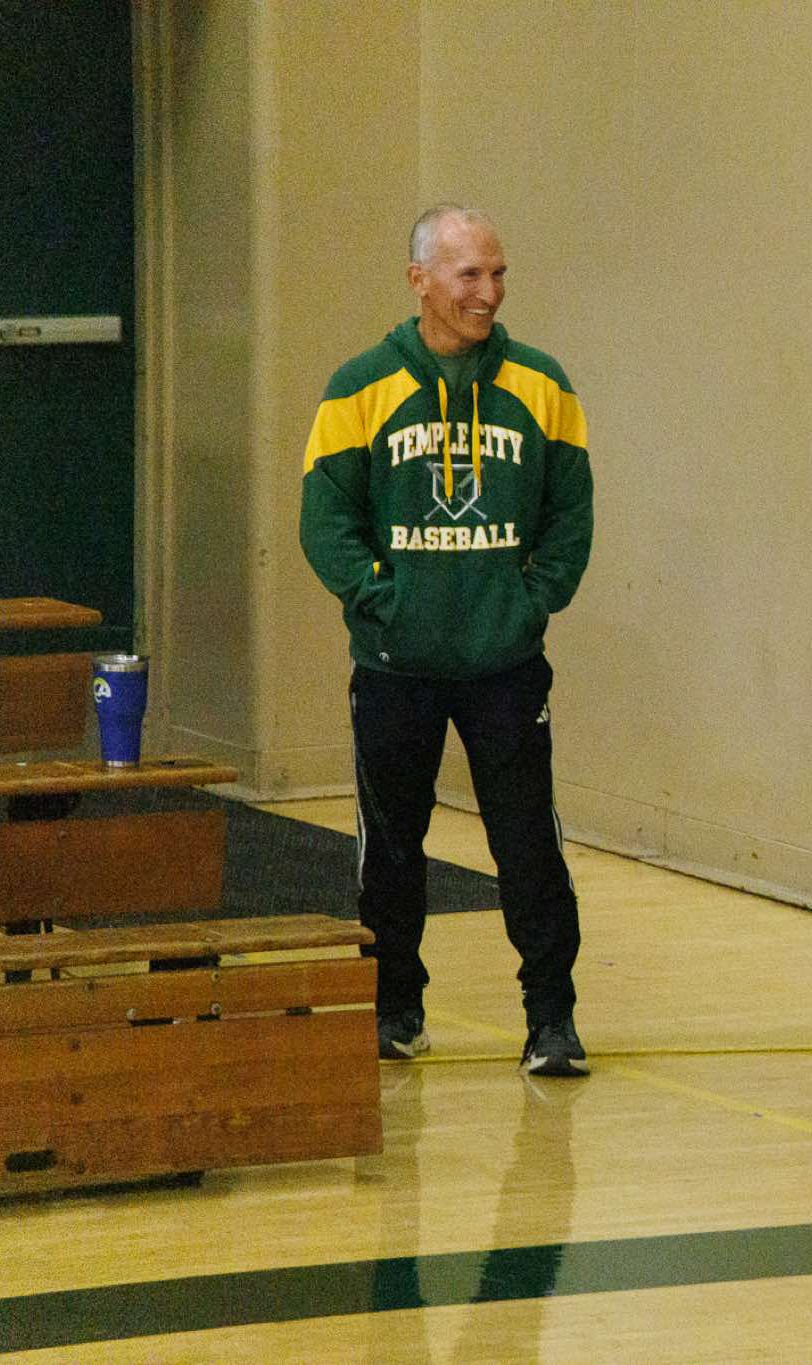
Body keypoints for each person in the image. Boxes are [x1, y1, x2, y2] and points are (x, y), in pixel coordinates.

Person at [299, 204, 595, 1077]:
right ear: (419, 280)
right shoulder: (358, 388)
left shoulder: (543, 385)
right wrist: (381, 602)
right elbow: (326, 521)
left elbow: (571, 514)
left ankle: (551, 1018)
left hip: (506, 664)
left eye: (498, 274)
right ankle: (394, 1009)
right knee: (391, 849)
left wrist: (530, 601)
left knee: (528, 847)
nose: (489, 293)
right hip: (396, 666)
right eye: (470, 275)